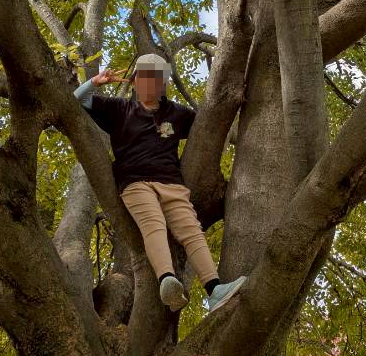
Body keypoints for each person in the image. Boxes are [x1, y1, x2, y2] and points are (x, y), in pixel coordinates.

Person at [74, 53, 246, 314]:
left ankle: (214, 290)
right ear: (135, 83)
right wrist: (95, 82)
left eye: (156, 79)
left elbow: (210, 126)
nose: (151, 84)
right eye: (145, 78)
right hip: (135, 182)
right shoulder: (120, 109)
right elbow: (76, 101)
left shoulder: (175, 113)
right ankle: (166, 280)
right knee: (153, 224)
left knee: (191, 229)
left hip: (171, 183)